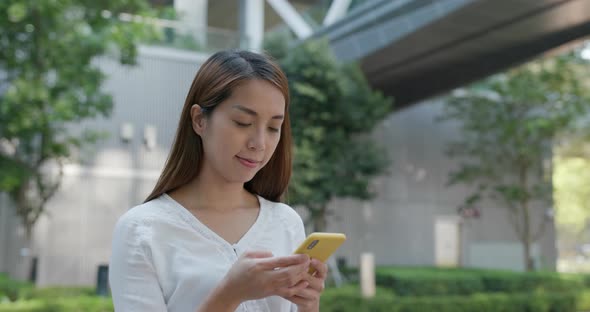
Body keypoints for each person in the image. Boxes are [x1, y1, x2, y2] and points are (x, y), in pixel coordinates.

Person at [108, 50, 328, 312]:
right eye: (243, 122)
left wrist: (308, 306)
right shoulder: (142, 230)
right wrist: (230, 295)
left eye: (273, 128)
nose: (259, 143)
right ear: (200, 120)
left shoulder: (286, 222)